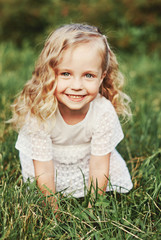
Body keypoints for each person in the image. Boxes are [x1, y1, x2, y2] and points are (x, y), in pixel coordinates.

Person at [10, 23, 133, 209]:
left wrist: (93, 207)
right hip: (47, 163)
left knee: (113, 175)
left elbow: (99, 164)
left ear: (102, 77)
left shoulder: (103, 111)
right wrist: (53, 210)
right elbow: (43, 167)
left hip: (88, 160)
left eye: (88, 75)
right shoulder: (41, 111)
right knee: (37, 183)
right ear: (49, 74)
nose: (77, 85)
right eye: (66, 74)